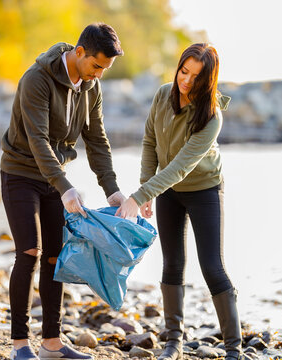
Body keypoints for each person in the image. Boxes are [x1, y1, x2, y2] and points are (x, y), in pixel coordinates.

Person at [0, 23, 127, 360]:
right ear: (79, 52)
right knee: (29, 252)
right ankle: (19, 344)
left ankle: (52, 344)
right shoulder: (36, 79)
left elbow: (97, 139)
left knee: (56, 259)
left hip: (55, 178)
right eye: (96, 66)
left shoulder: (91, 86)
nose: (99, 75)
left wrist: (111, 189)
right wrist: (66, 188)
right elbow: (39, 141)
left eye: (105, 70)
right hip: (20, 173)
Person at [117, 43, 246, 360]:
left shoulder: (211, 116)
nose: (185, 81)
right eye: (183, 71)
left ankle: (234, 348)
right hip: (169, 192)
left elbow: (180, 167)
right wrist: (147, 185)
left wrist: (140, 196)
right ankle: (173, 342)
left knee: (212, 267)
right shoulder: (163, 94)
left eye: (195, 77)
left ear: (208, 81)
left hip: (204, 190)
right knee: (172, 264)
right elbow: (150, 139)